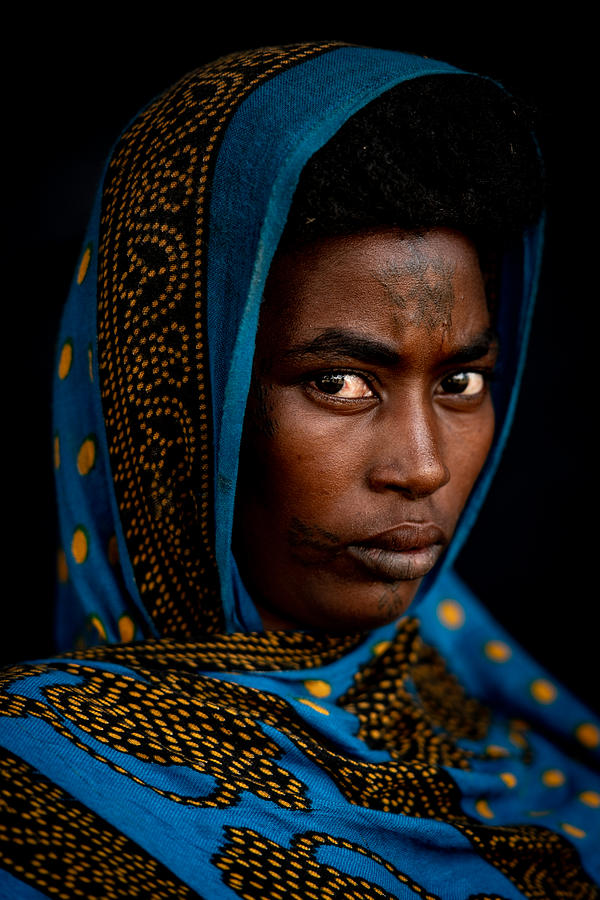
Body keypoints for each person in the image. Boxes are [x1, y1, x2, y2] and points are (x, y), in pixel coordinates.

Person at [0, 42, 598, 898]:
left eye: (461, 381)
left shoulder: (470, 677)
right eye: (339, 383)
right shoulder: (37, 775)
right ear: (172, 401)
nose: (423, 468)